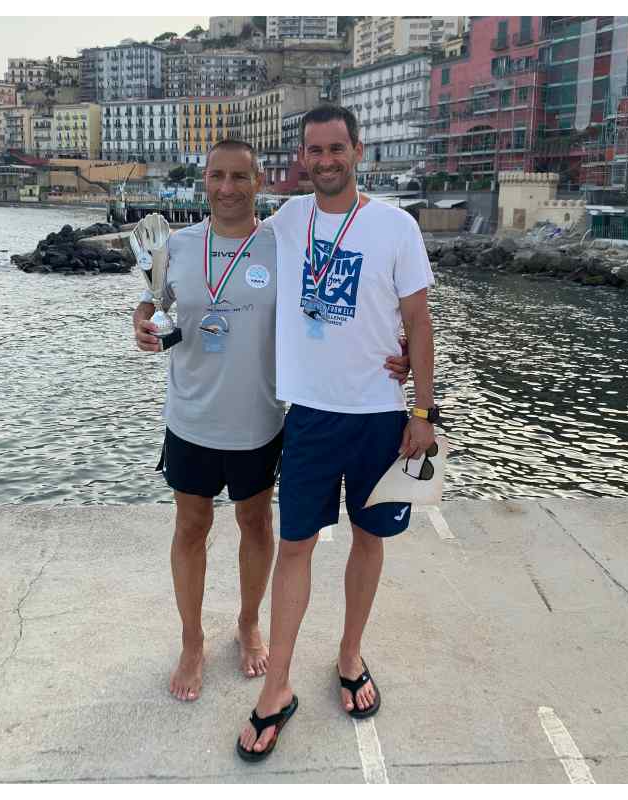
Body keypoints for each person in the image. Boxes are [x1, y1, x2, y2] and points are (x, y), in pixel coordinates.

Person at [134, 140, 410, 702]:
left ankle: (247, 622)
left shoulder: (283, 243)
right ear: (203, 182)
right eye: (217, 176)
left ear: (259, 182)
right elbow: (152, 303)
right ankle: (191, 641)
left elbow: (338, 310)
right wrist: (141, 322)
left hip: (261, 420)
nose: (227, 188)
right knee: (190, 528)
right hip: (189, 418)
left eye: (240, 177)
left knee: (256, 527)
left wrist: (396, 348)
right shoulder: (178, 247)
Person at [236, 104, 437, 762]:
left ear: (358, 149)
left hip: (381, 415)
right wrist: (153, 308)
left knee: (370, 538)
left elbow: (420, 321)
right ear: (301, 158)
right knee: (295, 546)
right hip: (311, 418)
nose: (325, 160)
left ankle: (350, 654)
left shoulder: (395, 226)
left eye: (335, 148)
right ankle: (277, 686)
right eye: (313, 151)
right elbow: (222, 256)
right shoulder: (285, 223)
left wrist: (424, 412)